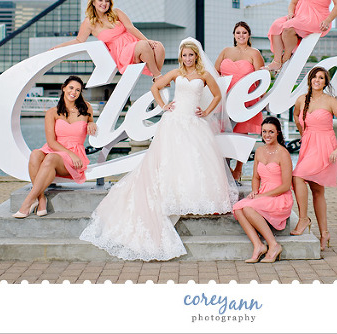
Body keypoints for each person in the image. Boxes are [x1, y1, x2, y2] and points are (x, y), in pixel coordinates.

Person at [79, 38, 238, 261]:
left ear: (196, 56)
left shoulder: (203, 75)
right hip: (173, 121)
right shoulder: (175, 73)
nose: (188, 59)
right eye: (184, 55)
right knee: (171, 160)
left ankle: (192, 197)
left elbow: (218, 95)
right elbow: (155, 87)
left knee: (194, 162)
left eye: (191, 55)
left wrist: (207, 111)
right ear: (181, 56)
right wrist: (164, 105)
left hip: (194, 121)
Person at [13, 76, 98, 218]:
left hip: (74, 155)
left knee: (51, 158)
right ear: (64, 88)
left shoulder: (86, 108)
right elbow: (51, 142)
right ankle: (41, 199)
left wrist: (91, 123)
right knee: (35, 154)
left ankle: (27, 202)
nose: (74, 92)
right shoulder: (52, 112)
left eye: (78, 90)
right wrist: (68, 153)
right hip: (55, 149)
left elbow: (90, 121)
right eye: (71, 88)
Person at [290, 66, 337, 251]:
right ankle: (324, 233)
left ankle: (303, 219)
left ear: (325, 82)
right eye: (314, 77)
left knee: (298, 176)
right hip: (308, 146)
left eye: (321, 78)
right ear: (310, 80)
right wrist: (303, 134)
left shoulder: (330, 101)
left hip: (325, 147)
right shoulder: (301, 100)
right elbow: (296, 116)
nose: (317, 80)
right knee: (317, 191)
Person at [53, 0, 166, 80]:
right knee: (143, 45)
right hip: (121, 52)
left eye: (107, 1)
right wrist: (59, 47)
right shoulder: (89, 22)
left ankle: (156, 78)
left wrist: (148, 40)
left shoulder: (116, 13)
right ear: (93, 2)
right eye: (100, 0)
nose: (104, 3)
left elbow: (130, 28)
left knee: (158, 46)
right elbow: (79, 41)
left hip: (134, 44)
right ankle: (158, 77)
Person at [232, 117, 293, 263]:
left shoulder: (283, 153)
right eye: (264, 131)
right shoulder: (259, 151)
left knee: (246, 207)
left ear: (278, 132)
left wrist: (262, 195)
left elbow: (286, 185)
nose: (267, 135)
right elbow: (256, 177)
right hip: (263, 194)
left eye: (271, 132)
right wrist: (254, 191)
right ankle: (258, 245)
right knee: (237, 208)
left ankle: (273, 245)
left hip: (280, 197)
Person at [214, 21, 265, 182]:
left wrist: (260, 100)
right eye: (238, 32)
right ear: (234, 35)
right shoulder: (226, 51)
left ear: (249, 35)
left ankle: (239, 169)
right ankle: (225, 170)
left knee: (242, 136)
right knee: (222, 134)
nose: (241, 35)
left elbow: (261, 78)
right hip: (225, 98)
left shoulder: (254, 53)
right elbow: (214, 72)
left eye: (244, 32)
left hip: (246, 100)